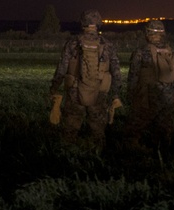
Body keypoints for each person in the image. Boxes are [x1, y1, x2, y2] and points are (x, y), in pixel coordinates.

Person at [48, 9, 122, 149]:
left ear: (82, 23)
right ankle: (97, 156)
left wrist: (54, 88)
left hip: (75, 90)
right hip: (99, 91)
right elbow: (116, 72)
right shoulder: (107, 45)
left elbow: (62, 68)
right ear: (98, 24)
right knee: (98, 129)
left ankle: (68, 155)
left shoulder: (73, 43)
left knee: (70, 127)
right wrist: (116, 94)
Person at [125, 19, 174, 150]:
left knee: (134, 128)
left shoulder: (140, 52)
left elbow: (133, 77)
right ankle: (162, 154)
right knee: (164, 128)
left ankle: (133, 154)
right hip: (168, 98)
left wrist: (131, 96)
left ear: (147, 33)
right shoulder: (173, 53)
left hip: (146, 97)